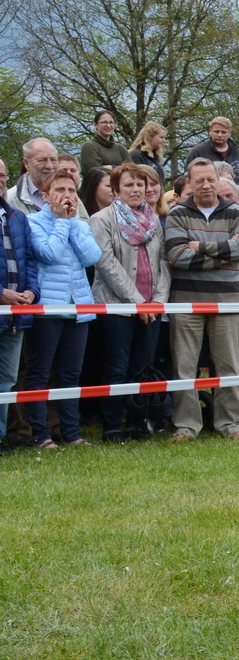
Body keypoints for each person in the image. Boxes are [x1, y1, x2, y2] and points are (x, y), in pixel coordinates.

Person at [163, 158, 239, 442]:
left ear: (218, 180)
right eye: (198, 180)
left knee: (228, 364)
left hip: (227, 300)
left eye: (210, 180)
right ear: (189, 182)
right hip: (186, 300)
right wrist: (225, 256)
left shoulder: (236, 211)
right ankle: (186, 425)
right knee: (184, 366)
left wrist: (201, 246)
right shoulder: (177, 212)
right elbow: (177, 256)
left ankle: (230, 423)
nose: (205, 185)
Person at [90, 163, 171, 443]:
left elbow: (164, 262)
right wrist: (137, 302)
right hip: (117, 306)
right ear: (116, 190)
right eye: (129, 185)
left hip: (152, 308)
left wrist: (157, 301)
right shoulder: (101, 220)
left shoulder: (154, 218)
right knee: (117, 366)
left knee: (143, 366)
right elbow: (106, 265)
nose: (136, 189)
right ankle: (112, 425)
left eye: (140, 184)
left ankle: (138, 423)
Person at [20, 170, 101, 447]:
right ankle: (40, 434)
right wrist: (62, 223)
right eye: (60, 190)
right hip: (46, 310)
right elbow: (48, 253)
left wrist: (71, 224)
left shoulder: (79, 223)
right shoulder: (32, 222)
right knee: (39, 372)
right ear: (44, 196)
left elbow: (92, 257)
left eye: (71, 190)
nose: (67, 196)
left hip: (78, 308)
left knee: (70, 374)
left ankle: (71, 432)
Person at [0, 158, 38, 404]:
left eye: (2, 175)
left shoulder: (16, 217)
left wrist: (32, 292)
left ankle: (1, 438)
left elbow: (30, 260)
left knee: (7, 379)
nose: (0, 181)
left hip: (15, 312)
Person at [187, 116, 239, 186]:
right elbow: (188, 177)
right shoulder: (198, 151)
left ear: (229, 133)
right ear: (210, 131)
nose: (219, 135)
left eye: (223, 132)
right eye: (216, 131)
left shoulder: (236, 152)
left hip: (233, 195)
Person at [79, 110, 129, 176]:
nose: (108, 125)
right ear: (95, 125)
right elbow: (94, 174)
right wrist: (121, 169)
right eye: (104, 122)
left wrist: (112, 168)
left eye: (111, 122)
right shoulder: (89, 146)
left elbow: (133, 171)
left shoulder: (121, 148)